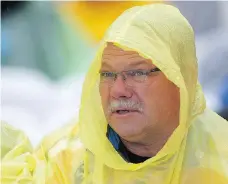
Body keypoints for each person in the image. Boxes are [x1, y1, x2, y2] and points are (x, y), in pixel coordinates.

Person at [2, 3, 228, 184]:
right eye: (107, 75)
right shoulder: (68, 160)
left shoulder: (216, 158)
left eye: (137, 73)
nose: (118, 90)